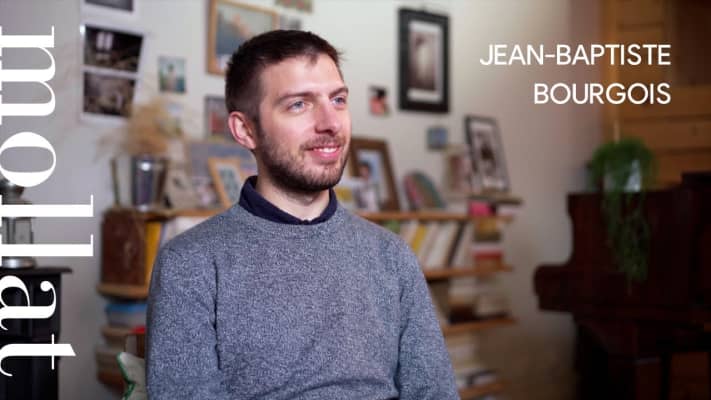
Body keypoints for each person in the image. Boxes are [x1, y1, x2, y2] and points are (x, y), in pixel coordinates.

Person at [146, 30, 458, 400]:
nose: (330, 123)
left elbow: (434, 392)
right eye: (299, 104)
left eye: (338, 100)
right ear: (245, 130)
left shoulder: (392, 256)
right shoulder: (189, 263)